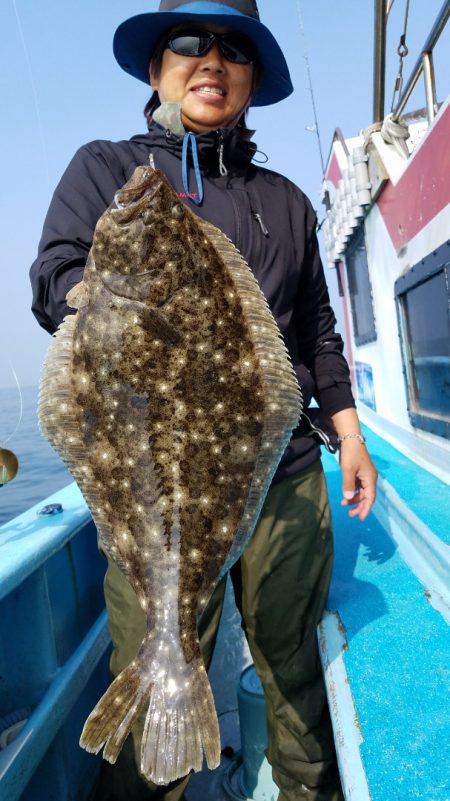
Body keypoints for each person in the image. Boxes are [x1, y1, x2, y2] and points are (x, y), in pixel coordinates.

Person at [30, 2, 378, 800]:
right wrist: (125, 305)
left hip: (282, 471)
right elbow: (54, 281)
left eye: (234, 49)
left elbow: (317, 333)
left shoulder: (286, 201)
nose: (210, 61)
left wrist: (349, 435)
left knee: (292, 670)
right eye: (188, 44)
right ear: (157, 68)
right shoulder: (104, 168)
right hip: (148, 487)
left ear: (253, 79)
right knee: (155, 662)